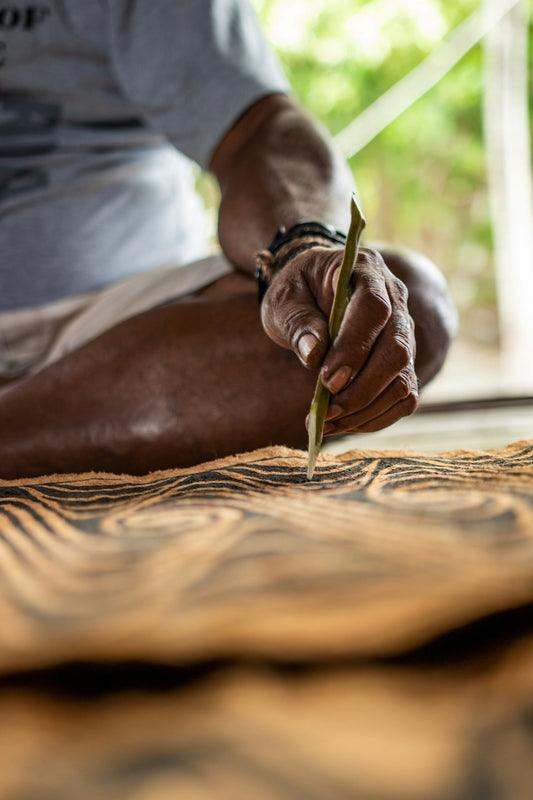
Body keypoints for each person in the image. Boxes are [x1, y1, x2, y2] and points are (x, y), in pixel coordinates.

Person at [0, 0, 456, 479]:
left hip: (128, 331)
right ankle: (35, 429)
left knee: (400, 308)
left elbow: (255, 130)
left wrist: (302, 247)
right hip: (118, 393)